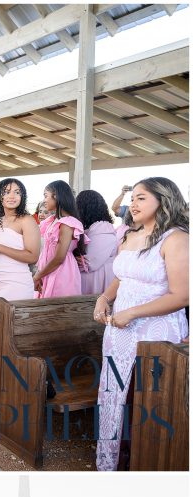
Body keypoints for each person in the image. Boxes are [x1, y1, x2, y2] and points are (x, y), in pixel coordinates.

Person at [95, 177, 188, 471]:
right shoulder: (130, 236)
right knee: (113, 396)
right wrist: (104, 298)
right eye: (132, 198)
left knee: (148, 399)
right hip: (118, 331)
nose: (132, 204)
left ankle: (145, 463)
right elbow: (122, 277)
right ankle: (111, 461)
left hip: (156, 332)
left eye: (141, 198)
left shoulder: (176, 239)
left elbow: (182, 295)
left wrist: (134, 312)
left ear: (164, 200)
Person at [0, 179, 39, 301]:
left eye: (17, 192)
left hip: (17, 284)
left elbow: (33, 257)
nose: (12, 196)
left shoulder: (27, 220)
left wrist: (1, 248)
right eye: (7, 192)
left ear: (22, 196)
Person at [34, 180, 87, 298]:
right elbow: (46, 253)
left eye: (46, 196)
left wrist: (37, 276)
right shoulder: (52, 220)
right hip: (49, 270)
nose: (44, 200)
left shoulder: (67, 223)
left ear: (56, 196)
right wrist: (40, 273)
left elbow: (59, 258)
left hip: (61, 273)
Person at [76, 189, 119, 296]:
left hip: (97, 281)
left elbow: (90, 262)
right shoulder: (92, 227)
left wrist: (70, 261)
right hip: (92, 279)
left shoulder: (102, 228)